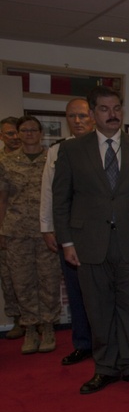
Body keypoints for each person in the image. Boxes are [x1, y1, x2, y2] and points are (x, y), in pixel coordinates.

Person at [52, 86, 129, 395]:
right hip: (90, 243)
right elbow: (61, 201)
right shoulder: (71, 150)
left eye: (116, 109)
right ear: (93, 113)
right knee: (97, 308)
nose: (112, 114)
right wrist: (67, 243)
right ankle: (105, 367)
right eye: (104, 109)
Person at [39, 99, 95, 365]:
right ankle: (83, 342)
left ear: (93, 117)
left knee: (104, 292)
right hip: (71, 232)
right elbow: (49, 192)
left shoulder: (105, 147)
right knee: (75, 290)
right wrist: (47, 227)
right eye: (72, 116)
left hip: (102, 233)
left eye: (83, 115)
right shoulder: (57, 150)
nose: (78, 121)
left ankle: (107, 342)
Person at [0, 116, 61, 353]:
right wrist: (1, 230)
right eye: (23, 130)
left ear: (40, 133)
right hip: (16, 232)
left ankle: (47, 327)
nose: (28, 134)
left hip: (47, 231)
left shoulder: (53, 159)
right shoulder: (6, 162)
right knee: (22, 282)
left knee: (49, 280)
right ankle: (30, 328)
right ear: (17, 133)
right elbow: (3, 199)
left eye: (33, 130)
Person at [0, 116, 23, 339]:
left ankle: (35, 322)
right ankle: (16, 319)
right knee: (8, 278)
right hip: (5, 228)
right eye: (9, 133)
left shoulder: (36, 158)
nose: (15, 137)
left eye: (17, 132)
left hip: (28, 229)